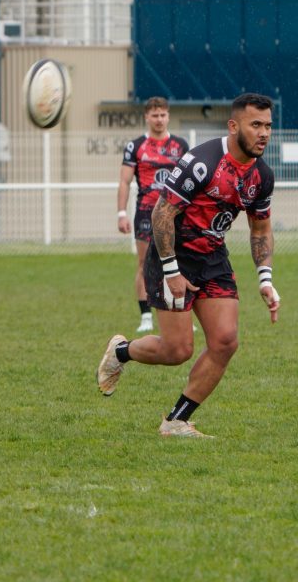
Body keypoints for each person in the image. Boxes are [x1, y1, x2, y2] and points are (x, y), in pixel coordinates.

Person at [97, 93, 280, 438]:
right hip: (172, 254)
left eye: (268, 125)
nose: (264, 133)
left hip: (212, 258)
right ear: (233, 125)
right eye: (256, 124)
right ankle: (121, 352)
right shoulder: (203, 161)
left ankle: (176, 420)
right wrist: (171, 271)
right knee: (177, 349)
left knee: (226, 341)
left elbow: (260, 228)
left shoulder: (262, 176)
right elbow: (161, 213)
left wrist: (266, 279)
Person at [117, 97, 190, 333]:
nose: (159, 119)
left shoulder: (180, 145)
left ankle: (181, 309)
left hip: (176, 213)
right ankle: (146, 316)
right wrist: (121, 213)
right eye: (154, 115)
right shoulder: (135, 146)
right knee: (144, 264)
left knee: (182, 261)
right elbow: (124, 181)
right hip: (146, 213)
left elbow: (191, 182)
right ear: (147, 117)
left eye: (163, 115)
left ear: (168, 116)